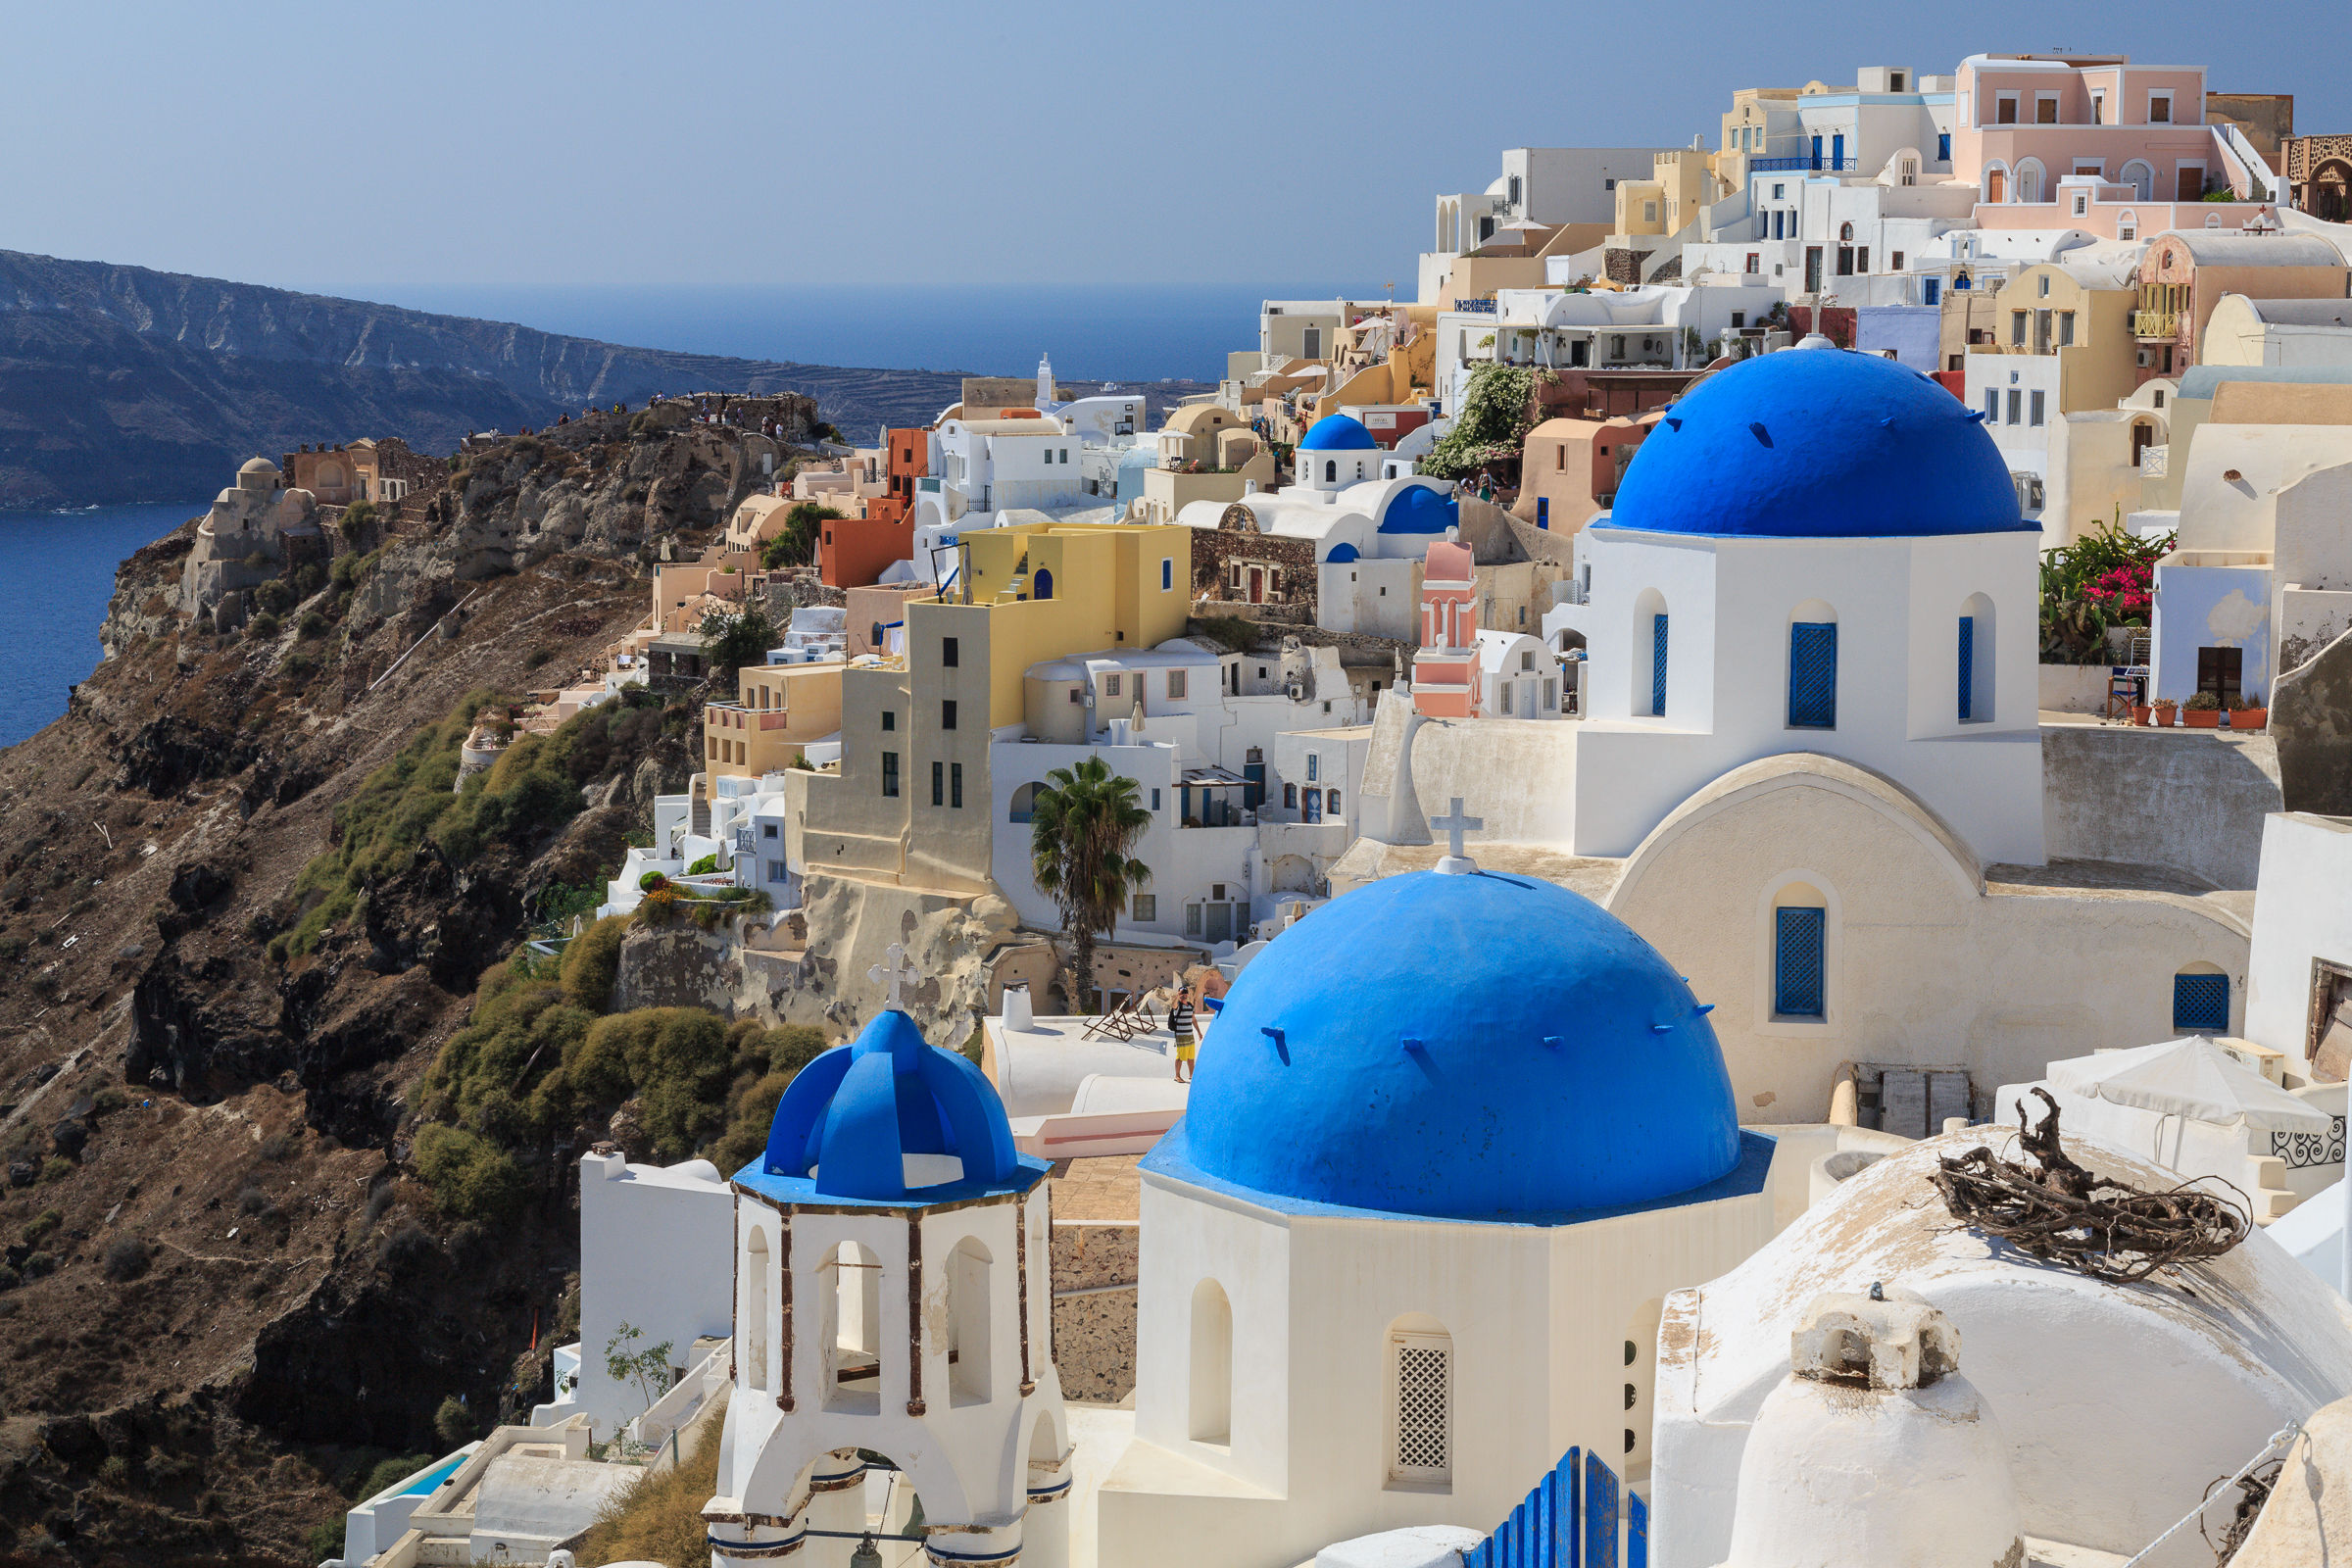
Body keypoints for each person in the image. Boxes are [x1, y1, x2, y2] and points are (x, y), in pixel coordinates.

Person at [1168, 979, 1198, 1083]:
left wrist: (1199, 1032)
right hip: (1181, 1035)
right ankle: (1177, 1076)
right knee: (1180, 1056)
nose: (1184, 995)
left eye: (1185, 994)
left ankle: (1191, 1075)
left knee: (1191, 1057)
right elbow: (1172, 1004)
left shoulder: (1190, 1006)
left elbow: (1193, 1019)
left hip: (1190, 1035)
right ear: (1179, 994)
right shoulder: (1177, 1006)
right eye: (1182, 994)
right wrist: (1177, 996)